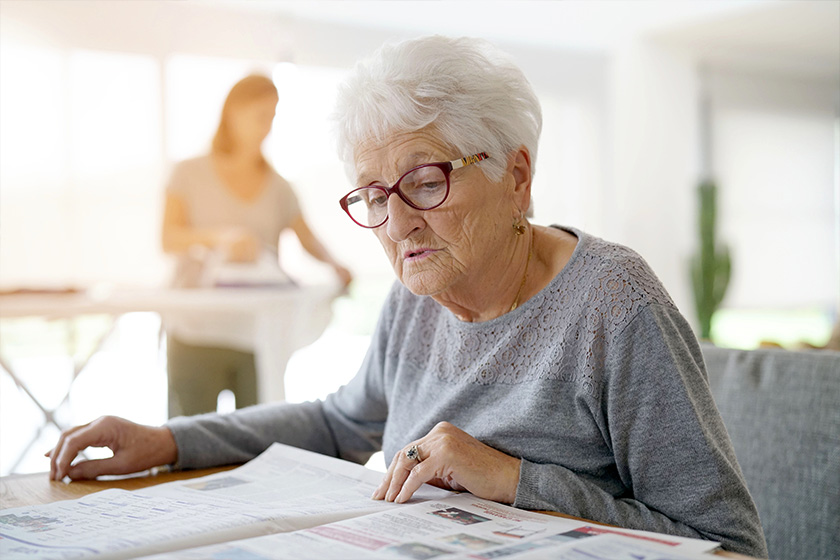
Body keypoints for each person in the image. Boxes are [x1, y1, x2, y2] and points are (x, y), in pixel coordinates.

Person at [48, 37, 768, 558]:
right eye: (373, 196)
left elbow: (729, 545)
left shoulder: (614, 306)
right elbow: (340, 422)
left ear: (516, 177)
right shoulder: (419, 292)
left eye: (426, 183)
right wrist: (169, 440)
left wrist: (513, 479)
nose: (397, 226)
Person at [161, 74, 352, 417]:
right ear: (233, 113)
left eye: (273, 117)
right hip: (196, 332)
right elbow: (168, 238)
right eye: (260, 115)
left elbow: (306, 235)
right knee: (187, 441)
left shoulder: (279, 187)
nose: (267, 126)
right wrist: (220, 238)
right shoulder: (188, 173)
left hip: (255, 335)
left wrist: (334, 264)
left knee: (255, 440)